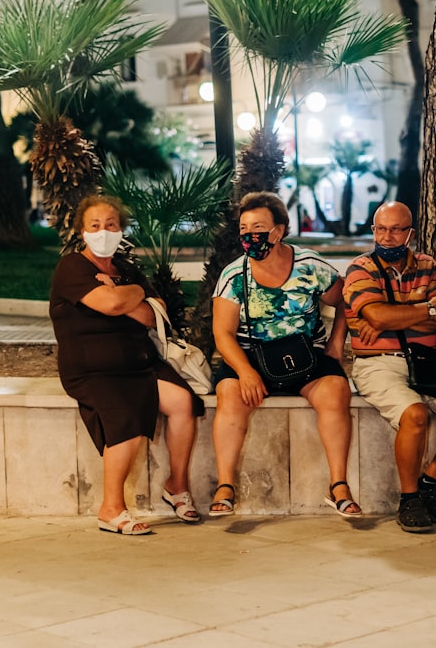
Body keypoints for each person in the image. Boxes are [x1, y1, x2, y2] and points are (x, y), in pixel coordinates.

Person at [50, 195, 205, 535]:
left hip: (139, 363)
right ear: (81, 230)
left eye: (111, 225)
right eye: (95, 225)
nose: (103, 231)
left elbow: (154, 314)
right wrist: (129, 297)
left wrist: (128, 292)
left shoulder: (128, 270)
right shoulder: (72, 267)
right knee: (127, 416)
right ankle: (111, 509)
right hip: (93, 369)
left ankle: (176, 486)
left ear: (121, 229)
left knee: (182, 402)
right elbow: (110, 305)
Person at [210, 192, 361, 518]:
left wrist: (336, 343)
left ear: (278, 231)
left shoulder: (310, 266)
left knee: (336, 392)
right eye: (244, 228)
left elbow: (346, 300)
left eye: (259, 227)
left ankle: (338, 486)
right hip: (249, 357)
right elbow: (222, 334)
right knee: (229, 394)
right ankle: (225, 486)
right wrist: (245, 372)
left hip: (306, 356)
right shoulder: (234, 276)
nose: (250, 236)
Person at [343, 201, 436, 533]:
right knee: (414, 414)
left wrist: (393, 316)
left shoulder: (427, 264)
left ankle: (429, 484)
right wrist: (423, 310)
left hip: (427, 362)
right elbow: (377, 316)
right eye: (381, 229)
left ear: (410, 232)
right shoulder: (360, 269)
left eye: (396, 230)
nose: (388, 237)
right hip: (376, 364)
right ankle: (409, 499)